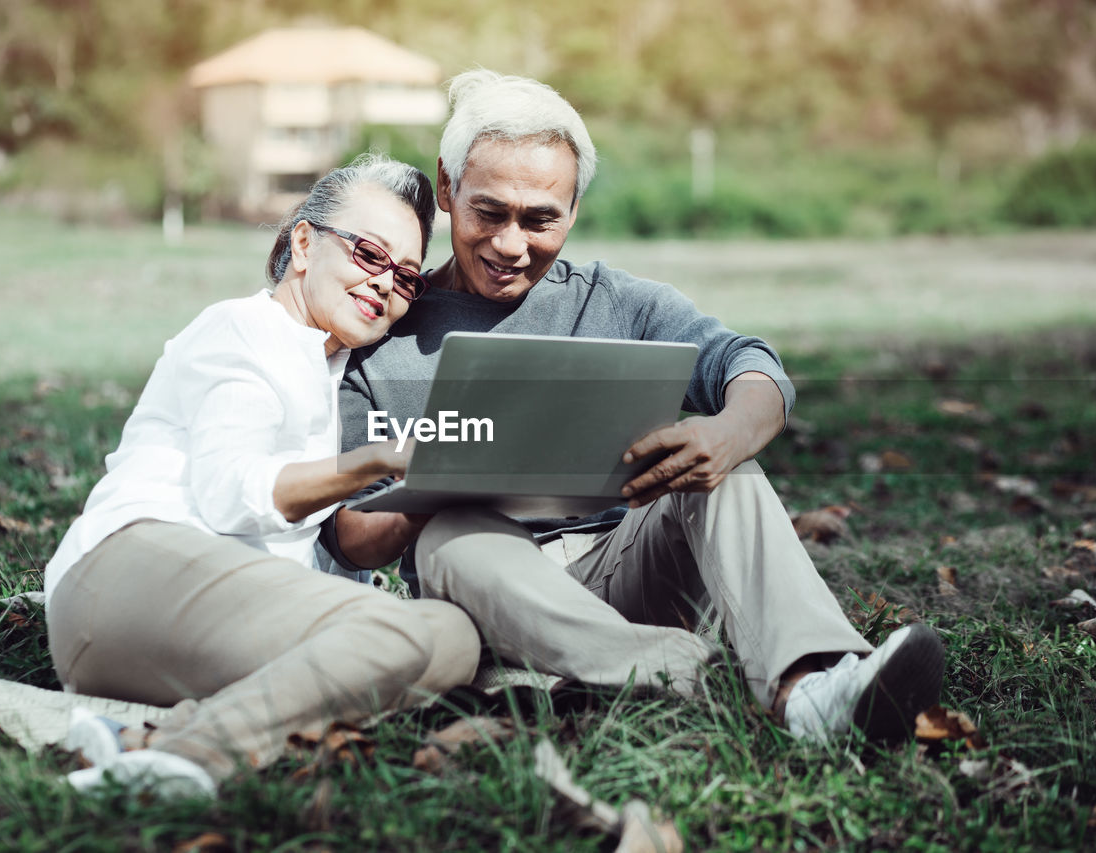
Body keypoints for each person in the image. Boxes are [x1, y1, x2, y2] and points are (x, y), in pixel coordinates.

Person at [318, 72, 944, 743]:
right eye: (489, 212)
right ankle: (687, 674)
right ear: (447, 189)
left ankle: (809, 687)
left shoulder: (612, 301)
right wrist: (438, 475)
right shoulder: (381, 333)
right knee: (450, 533)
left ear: (576, 207)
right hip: (489, 592)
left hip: (624, 562)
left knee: (723, 469)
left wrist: (729, 431)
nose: (510, 244)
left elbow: (754, 368)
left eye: (540, 219)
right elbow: (350, 533)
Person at [42, 153, 480, 798]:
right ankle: (188, 758)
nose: (385, 283)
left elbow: (348, 543)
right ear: (304, 243)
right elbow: (230, 494)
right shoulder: (242, 330)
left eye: (407, 275)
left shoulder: (335, 376)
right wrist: (381, 458)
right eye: (368, 253)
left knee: (446, 639)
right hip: (126, 571)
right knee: (397, 630)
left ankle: (148, 743)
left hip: (208, 616)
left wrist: (440, 487)